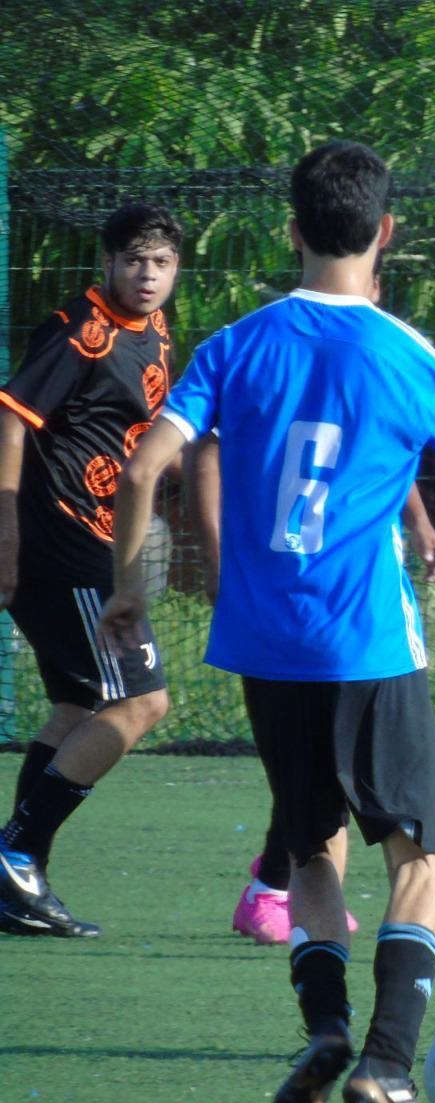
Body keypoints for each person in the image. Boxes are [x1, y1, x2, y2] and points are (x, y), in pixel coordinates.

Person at [100, 140, 435, 1103]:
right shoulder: (406, 355)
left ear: (292, 229)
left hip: (264, 648)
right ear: (386, 234)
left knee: (311, 847)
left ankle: (324, 1029)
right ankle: (389, 1062)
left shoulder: (236, 344)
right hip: (365, 645)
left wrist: (126, 594)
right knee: (421, 856)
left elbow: (147, 465)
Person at [205, 257, 435, 944]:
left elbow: (380, 459)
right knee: (384, 839)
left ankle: (315, 986)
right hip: (346, 622)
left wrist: (422, 523)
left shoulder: (270, 348)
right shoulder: (322, 354)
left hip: (283, 623)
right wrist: (221, 558)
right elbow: (204, 457)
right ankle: (274, 893)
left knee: (316, 812)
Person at [0, 204, 183, 938]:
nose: (147, 274)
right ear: (106, 263)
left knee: (79, 707)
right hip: (64, 546)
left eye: (161, 262)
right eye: (134, 259)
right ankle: (15, 855)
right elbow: (10, 418)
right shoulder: (83, 328)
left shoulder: (158, 332)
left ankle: (17, 874)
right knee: (141, 703)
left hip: (97, 545)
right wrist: (7, 529)